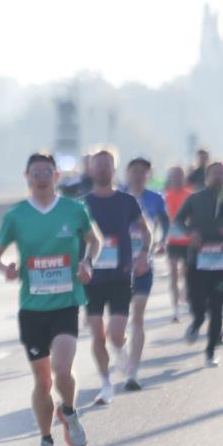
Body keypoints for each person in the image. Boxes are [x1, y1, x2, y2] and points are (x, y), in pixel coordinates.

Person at [0, 152, 100, 446]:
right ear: (27, 175)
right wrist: (5, 270)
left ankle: (69, 410)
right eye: (35, 171)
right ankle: (46, 441)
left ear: (56, 176)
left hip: (66, 303)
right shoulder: (16, 215)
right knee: (42, 379)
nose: (41, 176)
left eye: (47, 171)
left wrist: (87, 261)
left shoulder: (74, 209)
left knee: (62, 370)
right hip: (32, 308)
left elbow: (95, 241)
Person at [83, 150, 151, 403]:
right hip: (91, 278)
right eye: (98, 165)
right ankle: (105, 384)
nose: (102, 170)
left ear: (114, 170)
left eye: (107, 166)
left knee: (114, 333)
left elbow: (146, 232)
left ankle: (120, 351)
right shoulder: (82, 204)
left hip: (120, 275)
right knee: (96, 334)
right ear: (91, 170)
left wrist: (144, 253)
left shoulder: (126, 201)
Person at [175, 162, 223, 366]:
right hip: (197, 260)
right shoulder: (195, 199)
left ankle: (210, 351)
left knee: (216, 307)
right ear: (207, 176)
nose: (218, 176)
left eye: (222, 173)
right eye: (214, 173)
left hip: (222, 263)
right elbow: (179, 220)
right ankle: (197, 321)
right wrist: (190, 233)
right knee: (196, 302)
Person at [122, 157, 167, 390]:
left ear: (148, 175)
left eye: (143, 171)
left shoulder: (155, 199)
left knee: (137, 316)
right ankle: (122, 349)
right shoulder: (117, 196)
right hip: (117, 266)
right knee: (116, 324)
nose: (138, 175)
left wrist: (162, 242)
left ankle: (133, 372)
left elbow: (166, 223)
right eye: (134, 171)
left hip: (143, 264)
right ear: (127, 173)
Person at [164, 167, 194, 321]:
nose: (177, 179)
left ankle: (185, 294)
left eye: (180, 176)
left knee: (187, 273)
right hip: (173, 241)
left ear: (184, 178)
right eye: (174, 176)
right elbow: (162, 219)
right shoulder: (166, 196)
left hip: (188, 241)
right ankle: (175, 309)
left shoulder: (190, 194)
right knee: (173, 274)